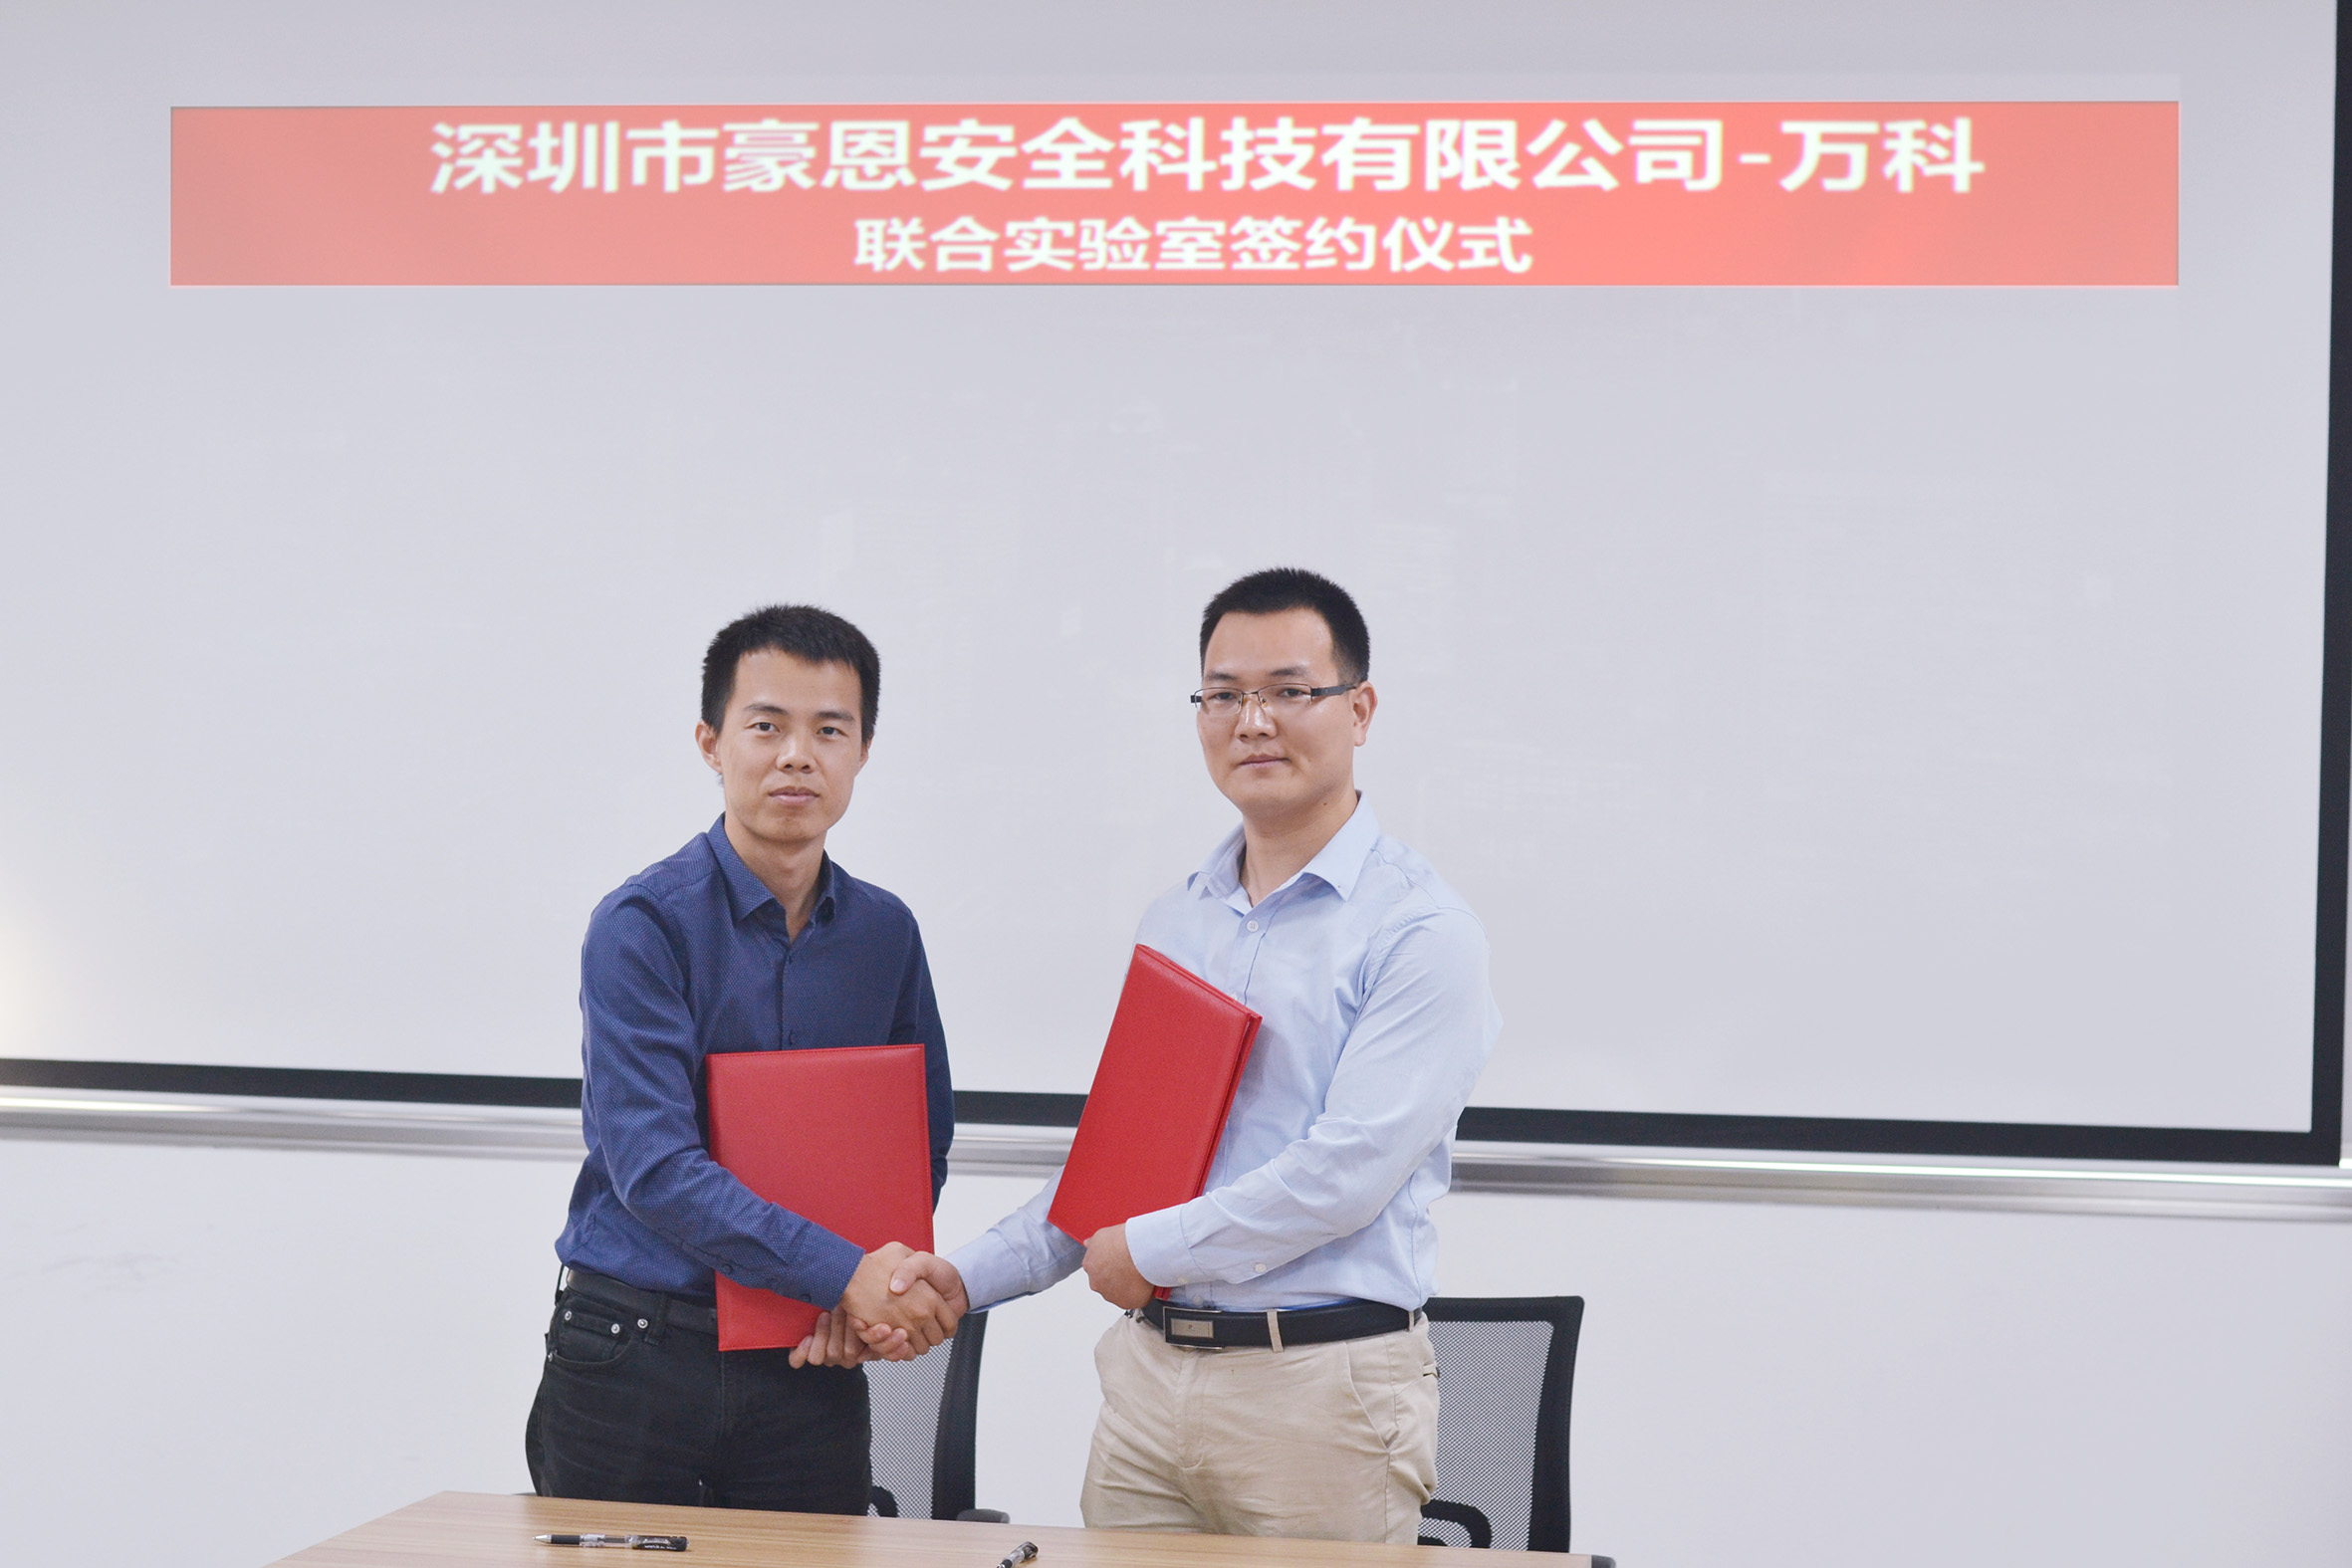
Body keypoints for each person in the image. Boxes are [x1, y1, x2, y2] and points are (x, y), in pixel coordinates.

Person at [810, 567, 1501, 1544]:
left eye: (1289, 690)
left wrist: (1148, 1250)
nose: (1253, 721)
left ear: (1359, 709)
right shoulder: (1180, 920)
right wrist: (961, 1279)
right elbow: (1120, 1166)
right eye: (1223, 694)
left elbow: (1343, 1175)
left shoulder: (1421, 931)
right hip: (1148, 1387)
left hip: (1320, 1394)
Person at [525, 603, 963, 1512]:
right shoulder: (642, 925)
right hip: (635, 1353)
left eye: (829, 730)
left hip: (806, 1362)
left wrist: (851, 1300)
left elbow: (918, 1139)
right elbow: (656, 1169)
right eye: (766, 726)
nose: (797, 755)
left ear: (863, 751)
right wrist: (844, 1273)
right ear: (711, 743)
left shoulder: (886, 933)